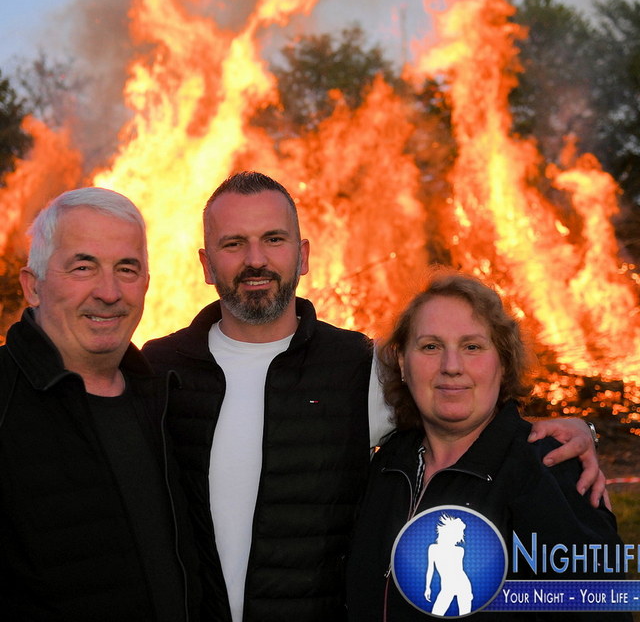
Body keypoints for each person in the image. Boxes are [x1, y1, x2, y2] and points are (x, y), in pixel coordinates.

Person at [142, 171, 604, 622]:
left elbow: (465, 406)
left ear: (303, 255)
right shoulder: (158, 369)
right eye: (233, 243)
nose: (256, 259)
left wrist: (576, 431)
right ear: (206, 265)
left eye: (274, 239)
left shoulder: (362, 366)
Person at [346, 268, 630, 620]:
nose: (451, 366)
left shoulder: (549, 469)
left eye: (472, 347)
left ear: (504, 363)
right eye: (430, 346)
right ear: (403, 362)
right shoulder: (387, 466)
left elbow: (597, 608)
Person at [0, 188, 201, 621]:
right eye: (83, 267)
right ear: (33, 286)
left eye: (126, 269)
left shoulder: (167, 401)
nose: (109, 292)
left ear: (146, 285)